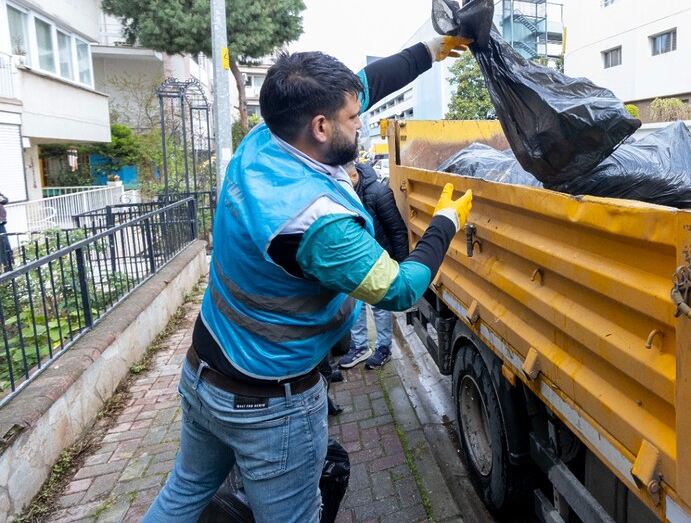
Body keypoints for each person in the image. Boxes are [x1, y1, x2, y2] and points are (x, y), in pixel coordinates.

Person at [143, 36, 472, 523]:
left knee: (183, 493)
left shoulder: (267, 138)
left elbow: (367, 83)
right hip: (269, 405)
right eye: (353, 119)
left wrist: (431, 48)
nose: (361, 123)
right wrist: (445, 220)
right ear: (321, 127)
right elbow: (401, 288)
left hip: (204, 372)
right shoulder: (316, 219)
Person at [338, 161, 409, 370]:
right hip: (354, 262)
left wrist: (403, 266)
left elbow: (397, 230)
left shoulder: (379, 193)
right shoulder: (342, 195)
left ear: (353, 177)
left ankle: (384, 348)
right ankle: (360, 347)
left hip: (378, 261)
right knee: (356, 307)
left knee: (380, 306)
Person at [0, 190, 12, 271]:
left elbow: (6, 200)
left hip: (1, 224)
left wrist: (2, 199)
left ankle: (9, 268)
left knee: (6, 246)